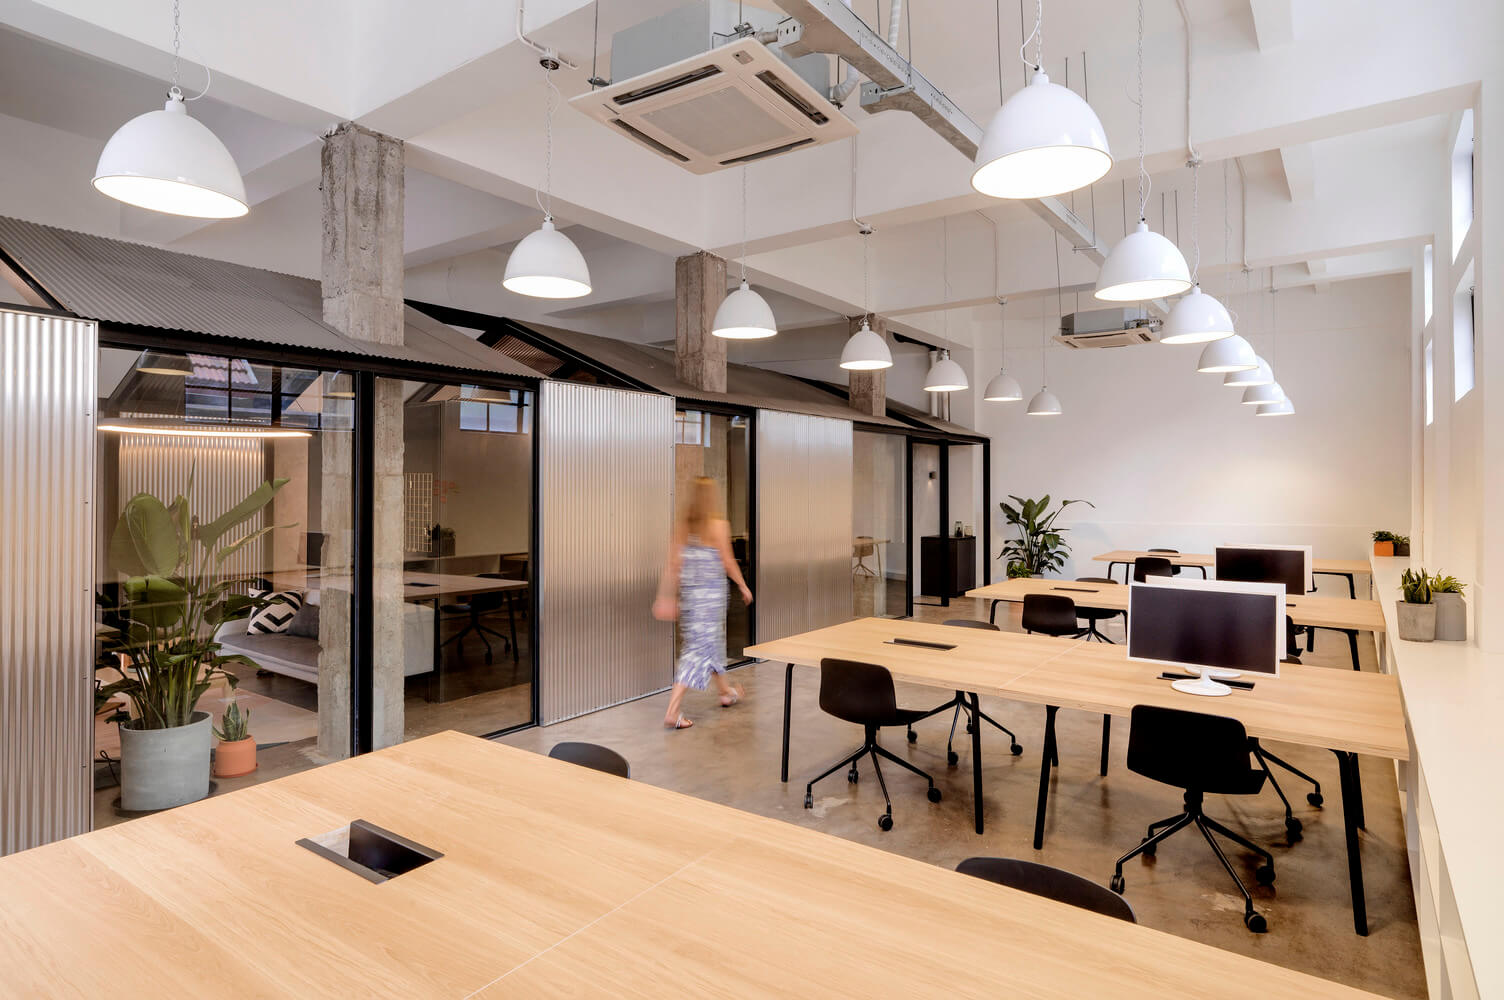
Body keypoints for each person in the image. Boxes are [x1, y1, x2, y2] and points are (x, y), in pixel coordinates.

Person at [653, 476, 753, 730]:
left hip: (691, 601)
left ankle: (725, 693)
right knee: (697, 652)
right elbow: (728, 563)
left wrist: (665, 596)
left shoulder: (683, 528)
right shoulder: (718, 525)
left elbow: (672, 566)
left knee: (711, 645)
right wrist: (742, 584)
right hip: (711, 600)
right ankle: (672, 710)